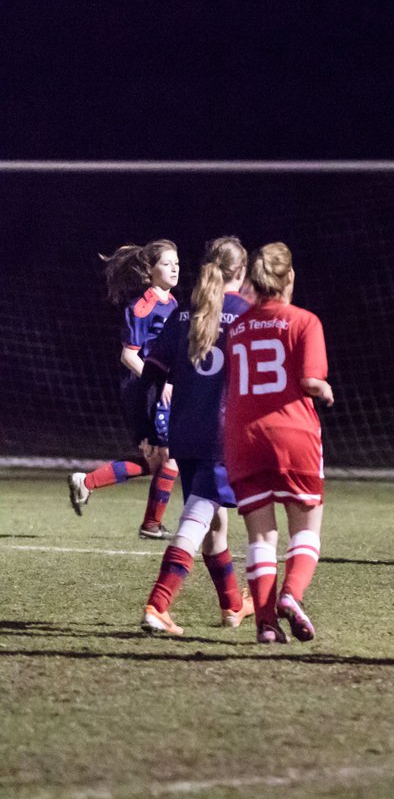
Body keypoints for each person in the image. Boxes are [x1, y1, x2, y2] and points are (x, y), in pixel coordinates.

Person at [136, 237, 256, 636]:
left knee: (216, 521)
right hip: (223, 438)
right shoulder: (247, 316)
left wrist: (150, 430)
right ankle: (158, 603)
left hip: (185, 433)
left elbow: (150, 375)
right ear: (241, 272)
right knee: (202, 512)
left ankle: (233, 606)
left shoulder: (183, 314)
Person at [223, 242, 333, 645]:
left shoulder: (236, 328)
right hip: (293, 433)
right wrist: (324, 388)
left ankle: (265, 625)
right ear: (289, 278)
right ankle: (291, 595)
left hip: (244, 436)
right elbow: (307, 380)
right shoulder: (305, 321)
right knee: (306, 527)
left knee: (260, 538)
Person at [67, 239, 182, 539]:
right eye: (167, 263)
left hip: (161, 390)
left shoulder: (173, 304)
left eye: (177, 263)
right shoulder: (143, 307)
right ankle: (150, 526)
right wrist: (158, 382)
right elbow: (129, 355)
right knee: (170, 459)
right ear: (150, 269)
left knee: (159, 461)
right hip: (145, 391)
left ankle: (88, 482)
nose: (174, 268)